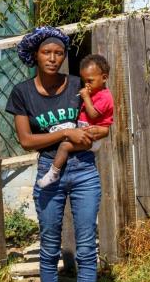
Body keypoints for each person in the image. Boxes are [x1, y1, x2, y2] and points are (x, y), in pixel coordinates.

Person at [5, 27, 109, 282]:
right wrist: (65, 132)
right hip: (49, 171)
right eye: (47, 53)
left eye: (59, 53)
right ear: (35, 55)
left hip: (83, 173)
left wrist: (90, 134)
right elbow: (26, 140)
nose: (53, 58)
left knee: (85, 248)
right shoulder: (22, 93)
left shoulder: (80, 85)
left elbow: (103, 119)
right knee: (49, 247)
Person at [36, 54, 114, 189]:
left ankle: (53, 173)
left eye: (90, 81)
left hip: (93, 137)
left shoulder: (105, 96)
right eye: (84, 81)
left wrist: (86, 97)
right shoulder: (95, 93)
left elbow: (93, 114)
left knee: (64, 146)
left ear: (104, 78)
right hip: (86, 131)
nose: (86, 85)